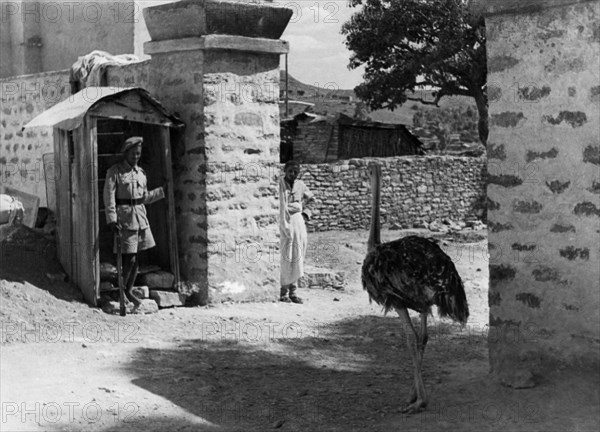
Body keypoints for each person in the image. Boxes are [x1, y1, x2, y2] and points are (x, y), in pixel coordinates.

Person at [103, 136, 166, 305]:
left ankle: (128, 290)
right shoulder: (114, 172)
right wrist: (111, 219)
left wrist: (161, 192)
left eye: (138, 154)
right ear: (126, 153)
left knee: (137, 258)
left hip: (140, 219)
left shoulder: (141, 174)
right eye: (133, 154)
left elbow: (144, 197)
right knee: (129, 258)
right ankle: (121, 291)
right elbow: (109, 198)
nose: (136, 157)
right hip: (124, 219)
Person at [279, 160, 314, 304]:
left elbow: (312, 200)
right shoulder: (279, 184)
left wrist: (306, 214)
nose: (292, 174)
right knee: (286, 256)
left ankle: (294, 292)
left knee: (298, 255)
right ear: (285, 171)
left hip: (298, 223)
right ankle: (283, 292)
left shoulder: (300, 185)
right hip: (284, 222)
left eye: (295, 172)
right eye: (290, 171)